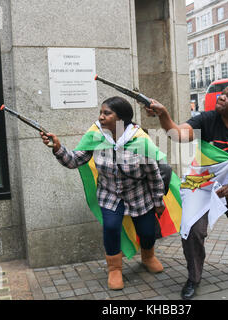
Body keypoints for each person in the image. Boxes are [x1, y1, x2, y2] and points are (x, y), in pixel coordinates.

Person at [146, 78, 228, 300]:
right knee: (192, 230)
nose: (221, 97)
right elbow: (177, 134)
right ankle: (194, 278)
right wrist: (163, 115)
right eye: (222, 93)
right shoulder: (207, 119)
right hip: (203, 184)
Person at [40, 96, 166, 290]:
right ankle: (114, 269)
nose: (101, 117)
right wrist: (57, 147)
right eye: (101, 112)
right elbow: (73, 161)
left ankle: (148, 257)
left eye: (107, 113)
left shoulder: (141, 140)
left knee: (147, 232)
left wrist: (158, 201)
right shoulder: (96, 136)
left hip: (139, 194)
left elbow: (154, 175)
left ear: (121, 118)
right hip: (110, 194)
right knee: (111, 227)